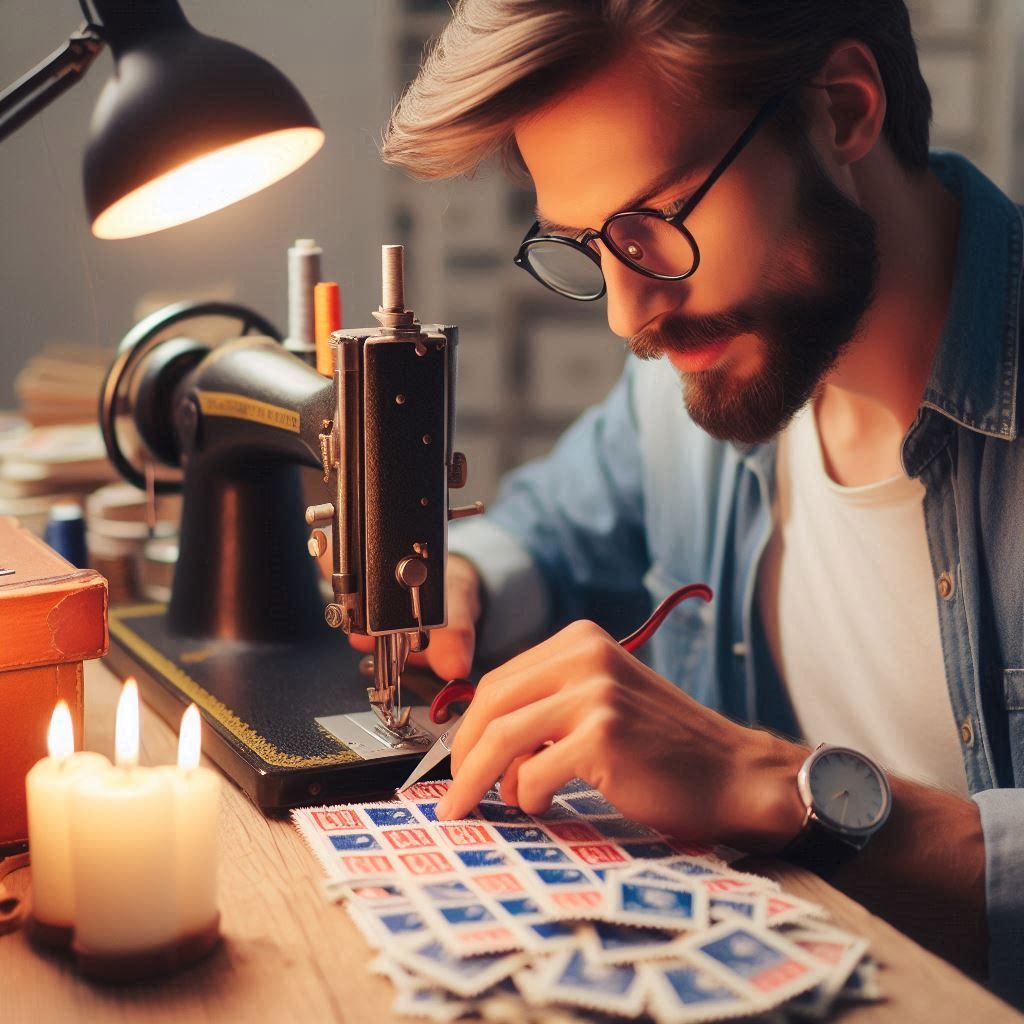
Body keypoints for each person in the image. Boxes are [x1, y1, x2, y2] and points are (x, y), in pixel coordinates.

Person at [365, 0, 1024, 1003]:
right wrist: (457, 585)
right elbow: (548, 528)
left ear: (842, 111)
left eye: (657, 223)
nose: (632, 314)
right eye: (588, 246)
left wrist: (769, 783)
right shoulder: (693, 383)